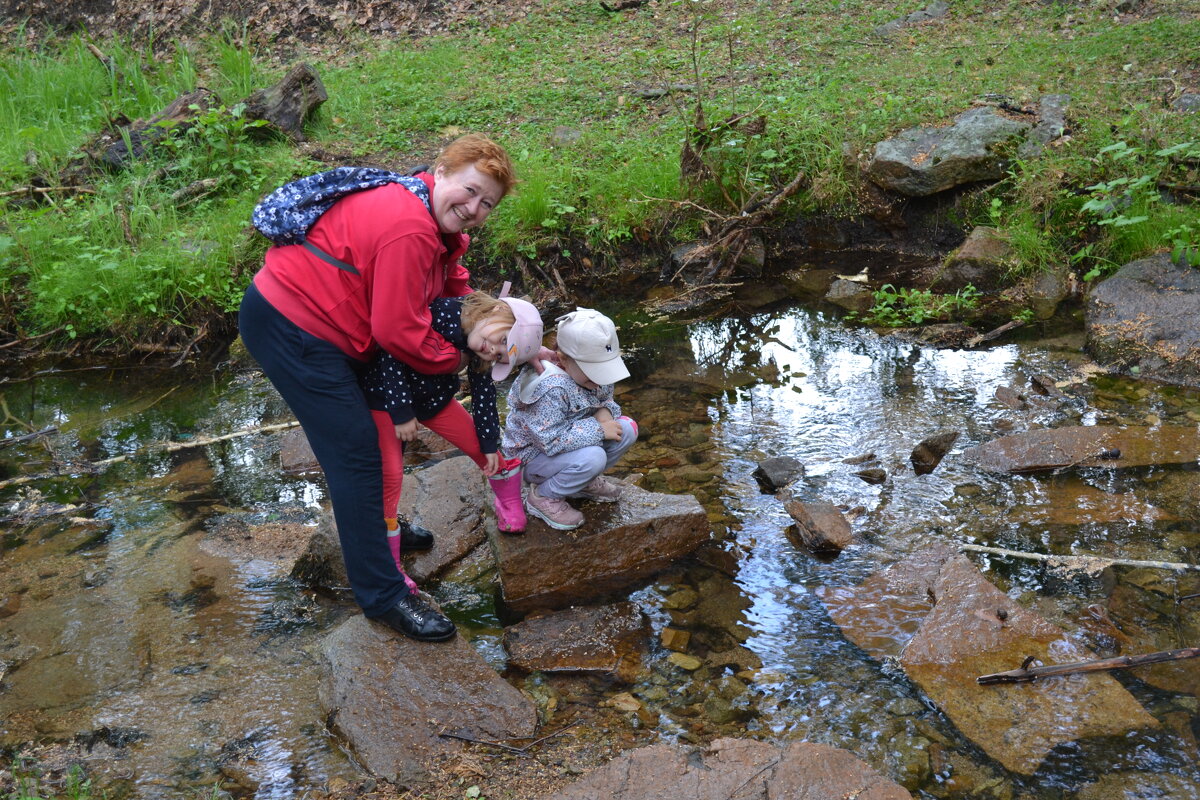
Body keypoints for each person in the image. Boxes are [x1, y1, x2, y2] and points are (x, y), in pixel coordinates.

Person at [238, 134, 516, 642]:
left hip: (335, 331)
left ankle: (380, 528)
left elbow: (452, 284)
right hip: (293, 327)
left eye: (487, 203)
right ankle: (383, 595)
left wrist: (499, 327)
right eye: (470, 191)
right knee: (358, 453)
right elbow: (397, 330)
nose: (474, 208)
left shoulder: (436, 221)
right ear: (442, 170)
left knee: (380, 434)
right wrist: (453, 358)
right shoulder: (409, 227)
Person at [363, 289, 542, 591]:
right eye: (500, 340)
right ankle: (388, 563)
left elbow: (484, 395)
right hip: (387, 401)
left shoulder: (478, 345)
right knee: (390, 473)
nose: (491, 350)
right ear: (497, 311)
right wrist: (402, 411)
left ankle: (508, 503)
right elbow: (390, 351)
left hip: (435, 400)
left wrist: (487, 444)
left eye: (500, 354)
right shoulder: (440, 313)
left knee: (487, 449)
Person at [501, 308, 639, 531]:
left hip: (574, 444)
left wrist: (606, 412)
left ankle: (580, 483)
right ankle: (543, 496)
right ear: (564, 358)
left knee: (627, 428)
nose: (599, 379)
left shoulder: (595, 378)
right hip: (533, 457)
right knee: (594, 457)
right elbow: (550, 440)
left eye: (604, 370)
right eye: (593, 371)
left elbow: (605, 399)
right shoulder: (550, 388)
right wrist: (599, 428)